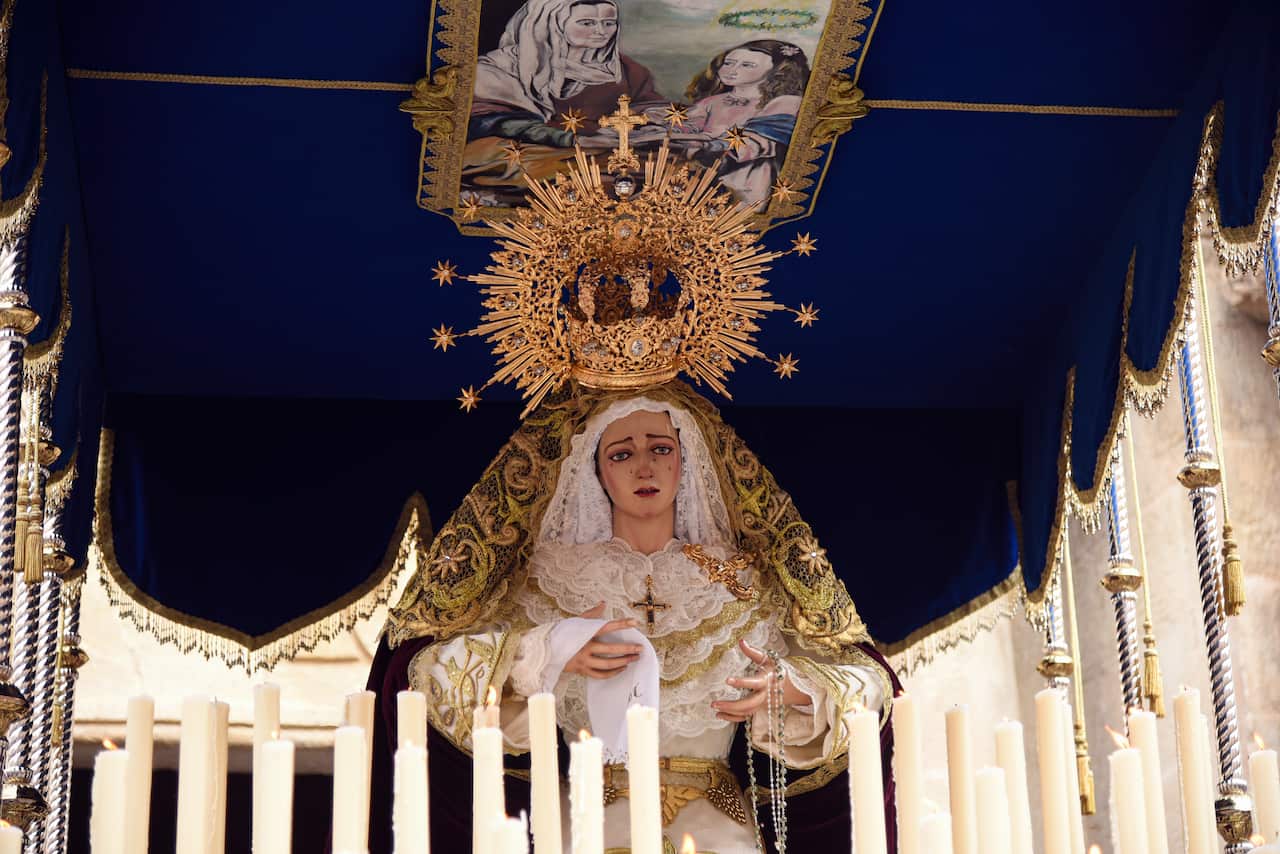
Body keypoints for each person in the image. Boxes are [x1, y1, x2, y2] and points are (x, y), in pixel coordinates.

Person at [367, 381, 900, 853]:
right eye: (621, 453)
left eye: (660, 448)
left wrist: (801, 690)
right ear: (596, 471)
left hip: (719, 831)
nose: (644, 467)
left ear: (685, 460)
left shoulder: (744, 583)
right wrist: (541, 654)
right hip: (585, 826)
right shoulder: (546, 582)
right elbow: (423, 675)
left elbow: (872, 683)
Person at [468, 0, 667, 148]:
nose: (601, 31)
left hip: (607, 148)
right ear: (552, 23)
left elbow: (649, 107)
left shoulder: (627, 70)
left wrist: (651, 123)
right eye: (587, 23)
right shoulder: (498, 68)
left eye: (609, 23)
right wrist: (571, 140)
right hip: (537, 147)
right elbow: (492, 122)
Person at [668, 40, 810, 206]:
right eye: (728, 63)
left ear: (777, 70)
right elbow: (687, 125)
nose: (732, 70)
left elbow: (758, 141)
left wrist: (707, 146)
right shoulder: (712, 102)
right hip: (697, 173)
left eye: (747, 65)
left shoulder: (785, 103)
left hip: (746, 177)